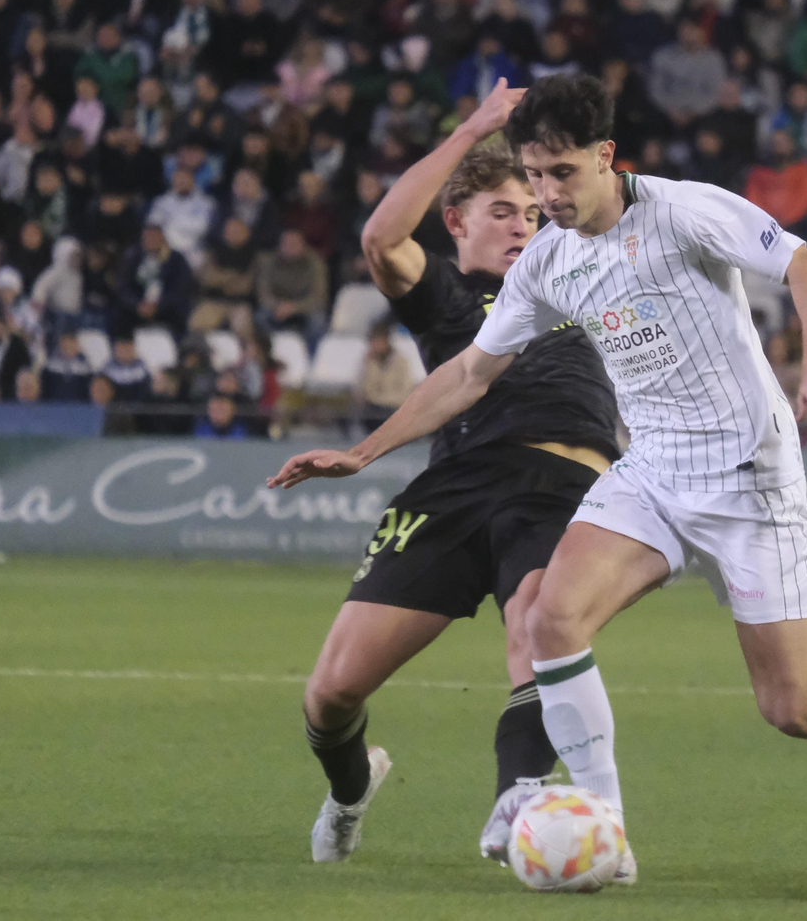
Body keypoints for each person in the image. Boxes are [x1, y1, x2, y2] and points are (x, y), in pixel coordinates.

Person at [268, 74, 807, 873]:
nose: (547, 195)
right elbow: (468, 374)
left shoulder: (684, 209)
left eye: (562, 173)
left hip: (747, 475)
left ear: (605, 156)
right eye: (534, 175)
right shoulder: (548, 261)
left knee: (797, 707)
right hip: (651, 469)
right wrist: (363, 451)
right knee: (550, 620)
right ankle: (607, 829)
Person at [263, 83, 625, 870]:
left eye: (530, 213)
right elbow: (381, 235)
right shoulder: (447, 295)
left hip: (562, 484)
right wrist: (473, 129)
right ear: (456, 222)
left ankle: (518, 797)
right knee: (331, 693)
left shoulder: (577, 277)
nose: (523, 225)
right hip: (455, 489)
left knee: (538, 624)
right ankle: (351, 788)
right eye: (502, 212)